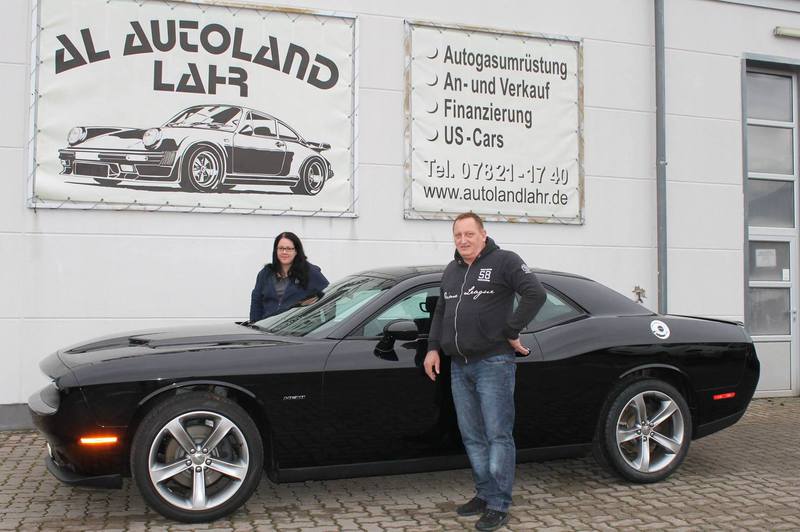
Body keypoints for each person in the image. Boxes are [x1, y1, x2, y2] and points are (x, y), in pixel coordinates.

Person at [424, 212, 546, 531]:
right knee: (472, 435)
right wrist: (433, 348)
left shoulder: (505, 261)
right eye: (458, 235)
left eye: (469, 234)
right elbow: (441, 311)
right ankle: (484, 493)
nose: (463, 240)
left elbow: (536, 294)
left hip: (493, 363)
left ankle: (499, 504)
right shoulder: (451, 270)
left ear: (483, 234)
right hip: (459, 365)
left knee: (497, 435)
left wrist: (511, 329)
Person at [249, 232, 329, 322]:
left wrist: (324, 325)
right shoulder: (266, 273)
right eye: (281, 248)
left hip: (298, 329)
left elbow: (328, 297)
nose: (284, 252)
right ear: (276, 250)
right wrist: (254, 324)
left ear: (296, 251)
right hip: (268, 328)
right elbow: (256, 302)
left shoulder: (310, 272)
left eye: (289, 249)